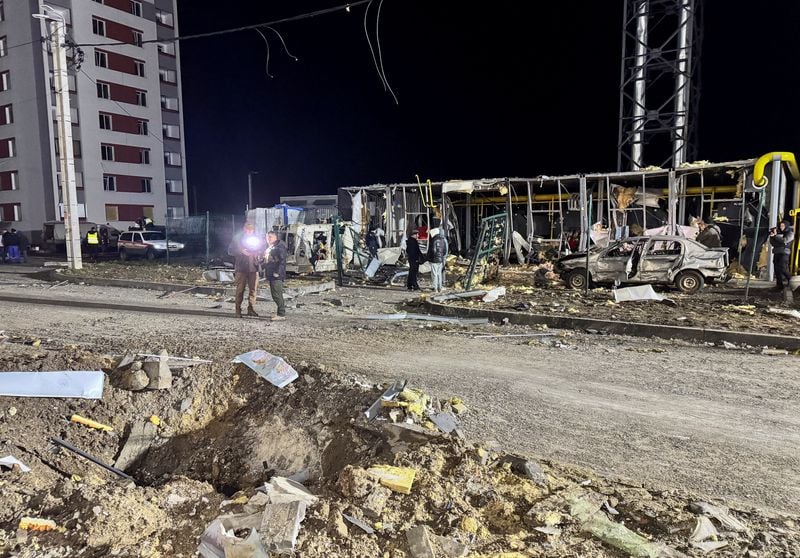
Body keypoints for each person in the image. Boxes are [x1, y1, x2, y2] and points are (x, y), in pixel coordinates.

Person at [228, 222, 264, 318]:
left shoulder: (257, 239)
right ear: (244, 229)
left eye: (251, 230)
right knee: (240, 289)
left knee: (253, 290)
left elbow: (262, 250)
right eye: (247, 229)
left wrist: (258, 254)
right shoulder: (237, 239)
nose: (249, 231)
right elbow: (230, 250)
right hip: (241, 268)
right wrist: (241, 251)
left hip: (254, 267)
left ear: (253, 230)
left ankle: (251, 309)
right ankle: (238, 310)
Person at [264, 230, 288, 321]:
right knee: (275, 294)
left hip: (276, 275)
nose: (268, 239)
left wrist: (277, 272)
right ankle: (280, 313)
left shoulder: (280, 247)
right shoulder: (272, 247)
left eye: (270, 237)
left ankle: (281, 314)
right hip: (272, 273)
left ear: (275, 237)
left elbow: (282, 261)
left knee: (277, 294)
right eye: (267, 237)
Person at [769, 219, 794, 290]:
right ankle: (779, 285)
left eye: (783, 226)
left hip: (784, 253)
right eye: (780, 226)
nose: (781, 227)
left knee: (783, 268)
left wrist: (776, 236)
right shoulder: (778, 233)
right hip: (776, 252)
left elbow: (785, 240)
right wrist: (773, 236)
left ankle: (790, 280)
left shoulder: (790, 233)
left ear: (786, 226)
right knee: (776, 270)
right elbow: (773, 243)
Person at [427, 227, 448, 293]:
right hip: (440, 259)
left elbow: (432, 250)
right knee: (439, 274)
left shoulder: (434, 240)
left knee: (434, 274)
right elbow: (445, 250)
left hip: (434, 259)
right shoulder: (443, 240)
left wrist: (429, 258)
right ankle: (440, 287)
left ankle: (435, 288)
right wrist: (442, 257)